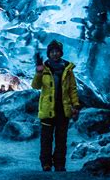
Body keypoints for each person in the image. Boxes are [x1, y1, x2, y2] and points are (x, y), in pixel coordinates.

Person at [31, 40, 81, 172]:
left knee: (61, 139)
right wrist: (39, 72)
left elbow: (72, 89)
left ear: (61, 53)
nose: (54, 54)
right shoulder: (44, 68)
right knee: (46, 139)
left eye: (57, 51)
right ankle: (46, 164)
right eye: (52, 52)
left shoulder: (68, 70)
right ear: (49, 53)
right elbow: (35, 86)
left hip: (63, 109)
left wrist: (75, 105)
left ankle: (59, 164)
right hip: (47, 109)